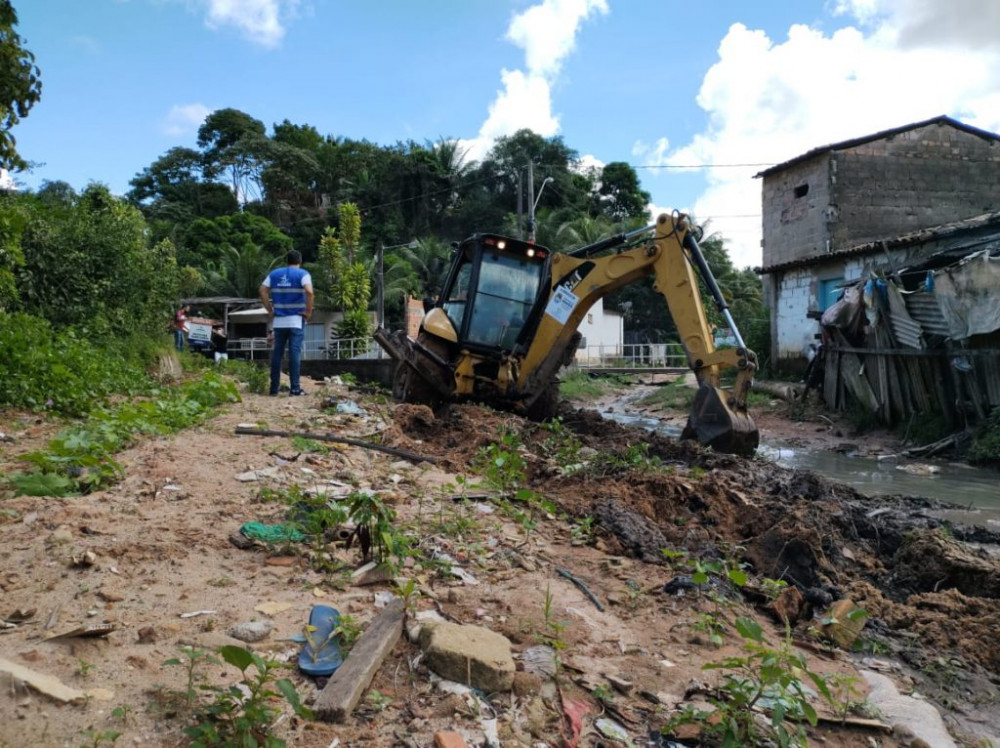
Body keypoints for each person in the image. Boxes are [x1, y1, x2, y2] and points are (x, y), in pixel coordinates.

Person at [260, 250, 313, 396]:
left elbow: (263, 290)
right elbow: (309, 292)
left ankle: (274, 389)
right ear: (299, 261)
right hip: (296, 320)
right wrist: (308, 312)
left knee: (277, 354)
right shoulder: (303, 274)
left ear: (286, 261)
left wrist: (270, 310)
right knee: (294, 354)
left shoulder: (275, 274)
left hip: (279, 322)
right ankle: (295, 388)